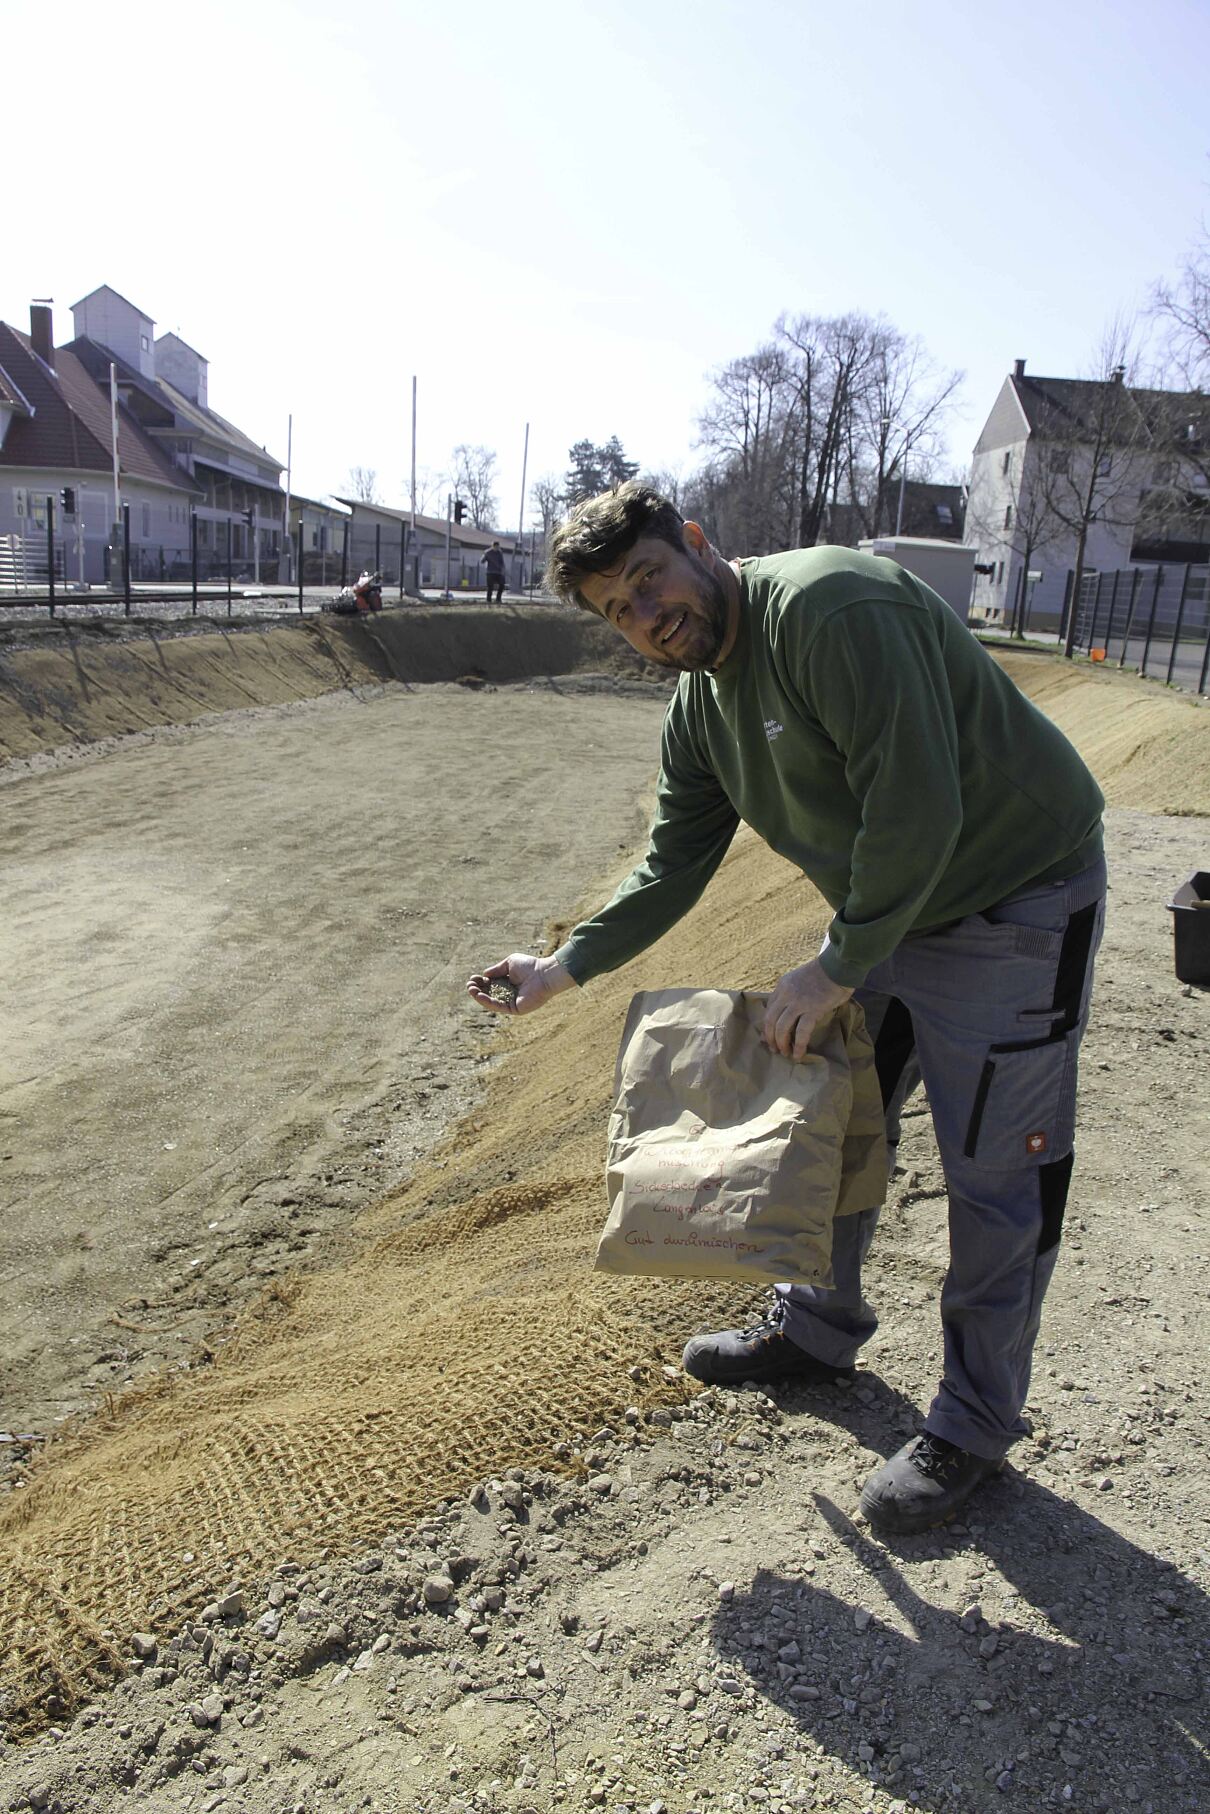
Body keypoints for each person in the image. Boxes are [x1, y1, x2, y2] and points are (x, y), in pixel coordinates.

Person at [467, 483, 1106, 1535]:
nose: (645, 614)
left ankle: (975, 1419)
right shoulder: (700, 708)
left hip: (1013, 894)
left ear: (699, 544)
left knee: (996, 1172)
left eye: (648, 577)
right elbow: (673, 861)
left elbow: (919, 806)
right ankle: (818, 1326)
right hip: (891, 903)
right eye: (618, 608)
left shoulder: (828, 610)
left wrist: (836, 965)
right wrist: (562, 965)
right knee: (834, 1117)